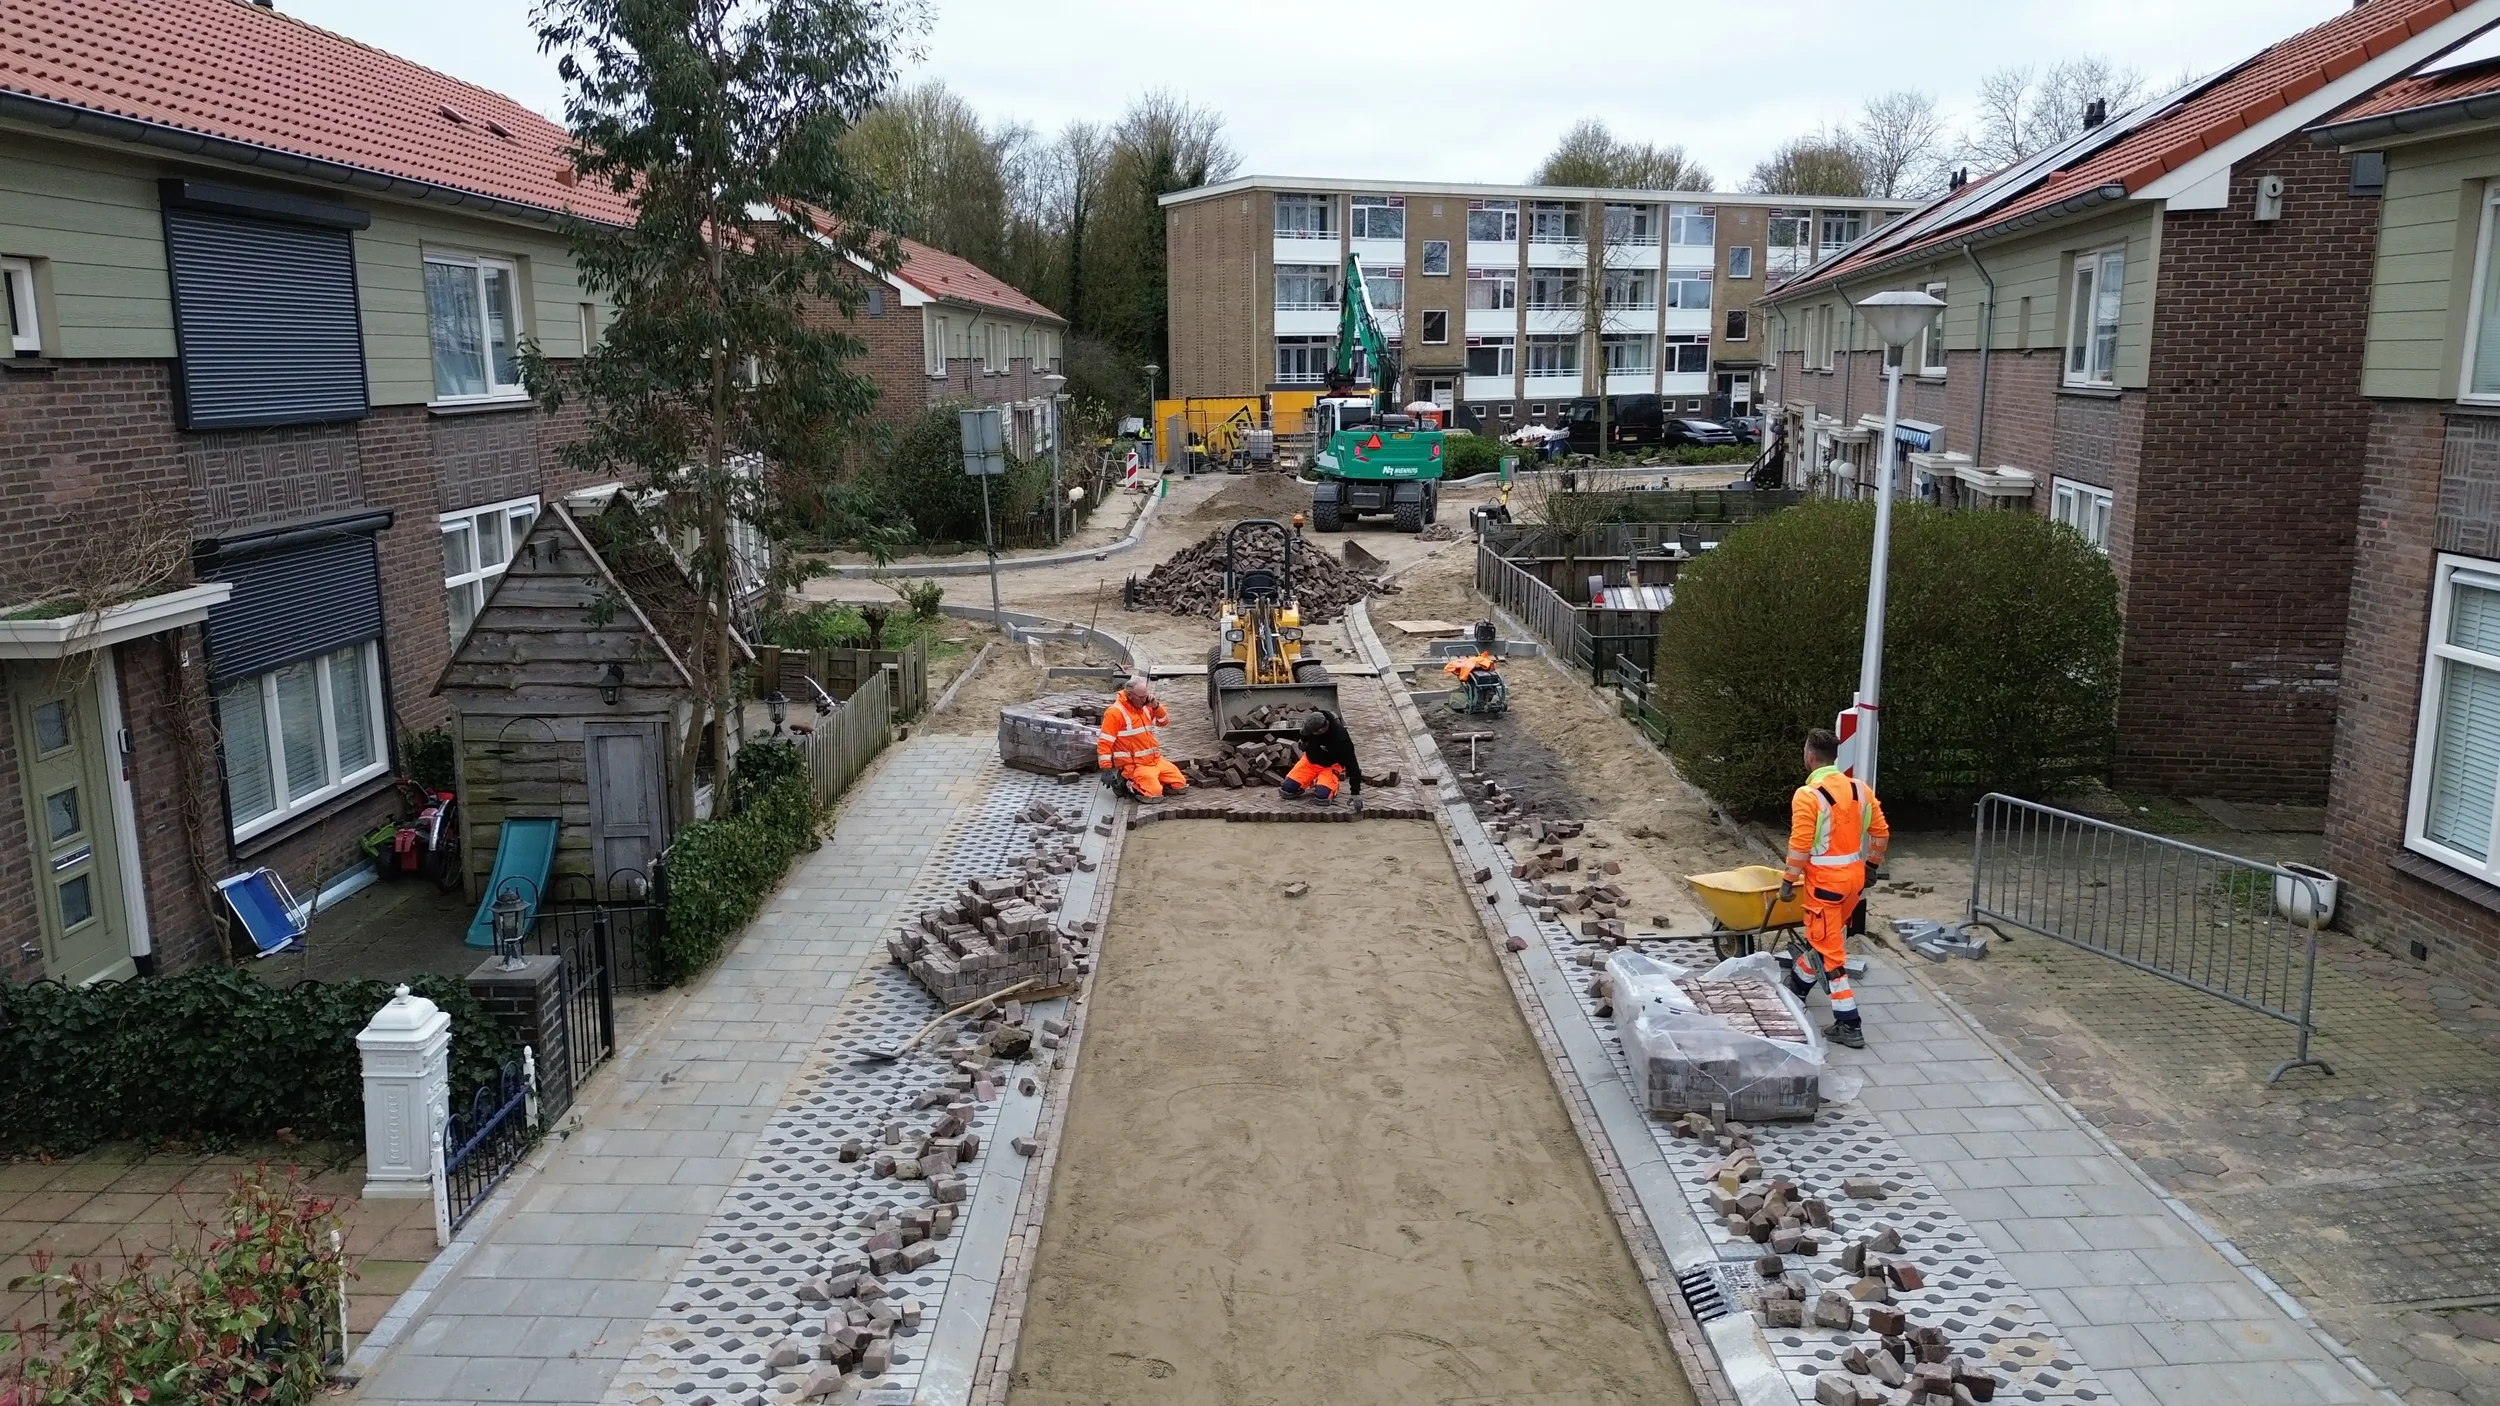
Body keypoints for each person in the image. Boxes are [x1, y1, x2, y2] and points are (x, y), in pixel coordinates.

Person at [1781, 727, 1888, 1049]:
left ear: (1810, 756)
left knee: (1830, 952)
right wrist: (1871, 866)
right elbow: (1881, 832)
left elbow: (1800, 844)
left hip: (1825, 884)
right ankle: (1797, 987)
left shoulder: (1808, 795)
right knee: (1824, 938)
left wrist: (1788, 881)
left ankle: (1849, 1024)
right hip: (1853, 881)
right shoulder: (1859, 789)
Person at [1096, 677, 1188, 801]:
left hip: (1155, 761)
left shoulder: (1146, 707)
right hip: (1134, 765)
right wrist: (1106, 768)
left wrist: (1155, 706)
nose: (1144, 700)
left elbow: (1163, 721)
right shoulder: (1115, 713)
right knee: (1154, 793)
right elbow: (1105, 742)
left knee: (1180, 784)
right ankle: (1126, 784)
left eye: (1146, 696)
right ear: (1129, 695)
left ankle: (1152, 782)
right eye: (1141, 697)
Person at [1279, 709, 1364, 807]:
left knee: (1322, 797)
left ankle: (1330, 786)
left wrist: (1355, 792)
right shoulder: (1315, 719)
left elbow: (1352, 765)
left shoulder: (1341, 739)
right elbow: (1304, 733)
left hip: (1330, 766)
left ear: (1320, 730)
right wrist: (1303, 740)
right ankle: (1309, 781)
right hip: (1309, 762)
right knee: (1287, 789)